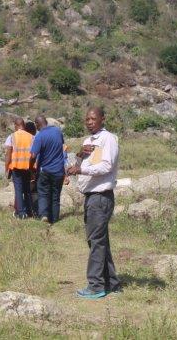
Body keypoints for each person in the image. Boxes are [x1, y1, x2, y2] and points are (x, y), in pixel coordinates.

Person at [66, 107, 121, 299]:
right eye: (87, 119)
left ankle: (96, 285)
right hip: (90, 196)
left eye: (93, 118)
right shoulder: (88, 141)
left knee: (96, 241)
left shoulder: (108, 139)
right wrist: (80, 155)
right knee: (99, 240)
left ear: (102, 119)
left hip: (101, 196)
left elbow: (107, 165)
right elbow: (79, 166)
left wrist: (80, 172)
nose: (89, 122)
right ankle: (112, 282)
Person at [30, 115, 65, 224]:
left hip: (45, 171)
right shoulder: (57, 131)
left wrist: (30, 167)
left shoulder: (39, 137)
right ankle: (55, 220)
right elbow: (62, 145)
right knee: (55, 196)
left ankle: (44, 215)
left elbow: (33, 156)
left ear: (36, 124)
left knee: (43, 194)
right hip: (59, 171)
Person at [3, 117, 35, 219]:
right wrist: (33, 169)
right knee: (27, 189)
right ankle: (30, 211)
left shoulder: (12, 137)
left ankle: (21, 213)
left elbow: (8, 154)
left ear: (15, 126)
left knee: (18, 190)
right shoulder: (31, 137)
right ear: (24, 125)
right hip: (27, 167)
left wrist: (6, 167)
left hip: (16, 167)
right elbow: (34, 154)